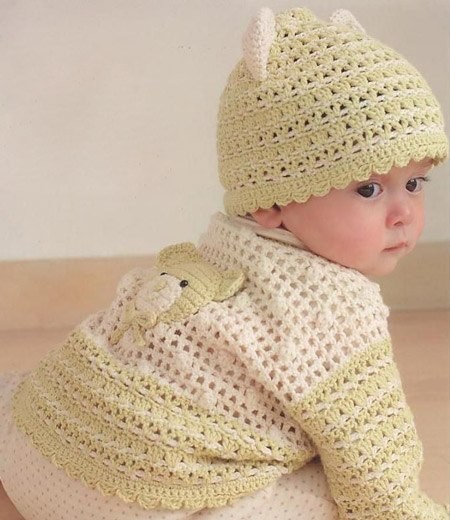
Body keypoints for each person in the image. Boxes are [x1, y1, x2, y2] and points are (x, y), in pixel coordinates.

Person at [0, 6, 448, 520]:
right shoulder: (335, 308)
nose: (405, 213)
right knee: (327, 492)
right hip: (130, 503)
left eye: (415, 183)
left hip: (37, 448)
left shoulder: (224, 247)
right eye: (369, 189)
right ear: (272, 200)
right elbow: (378, 479)